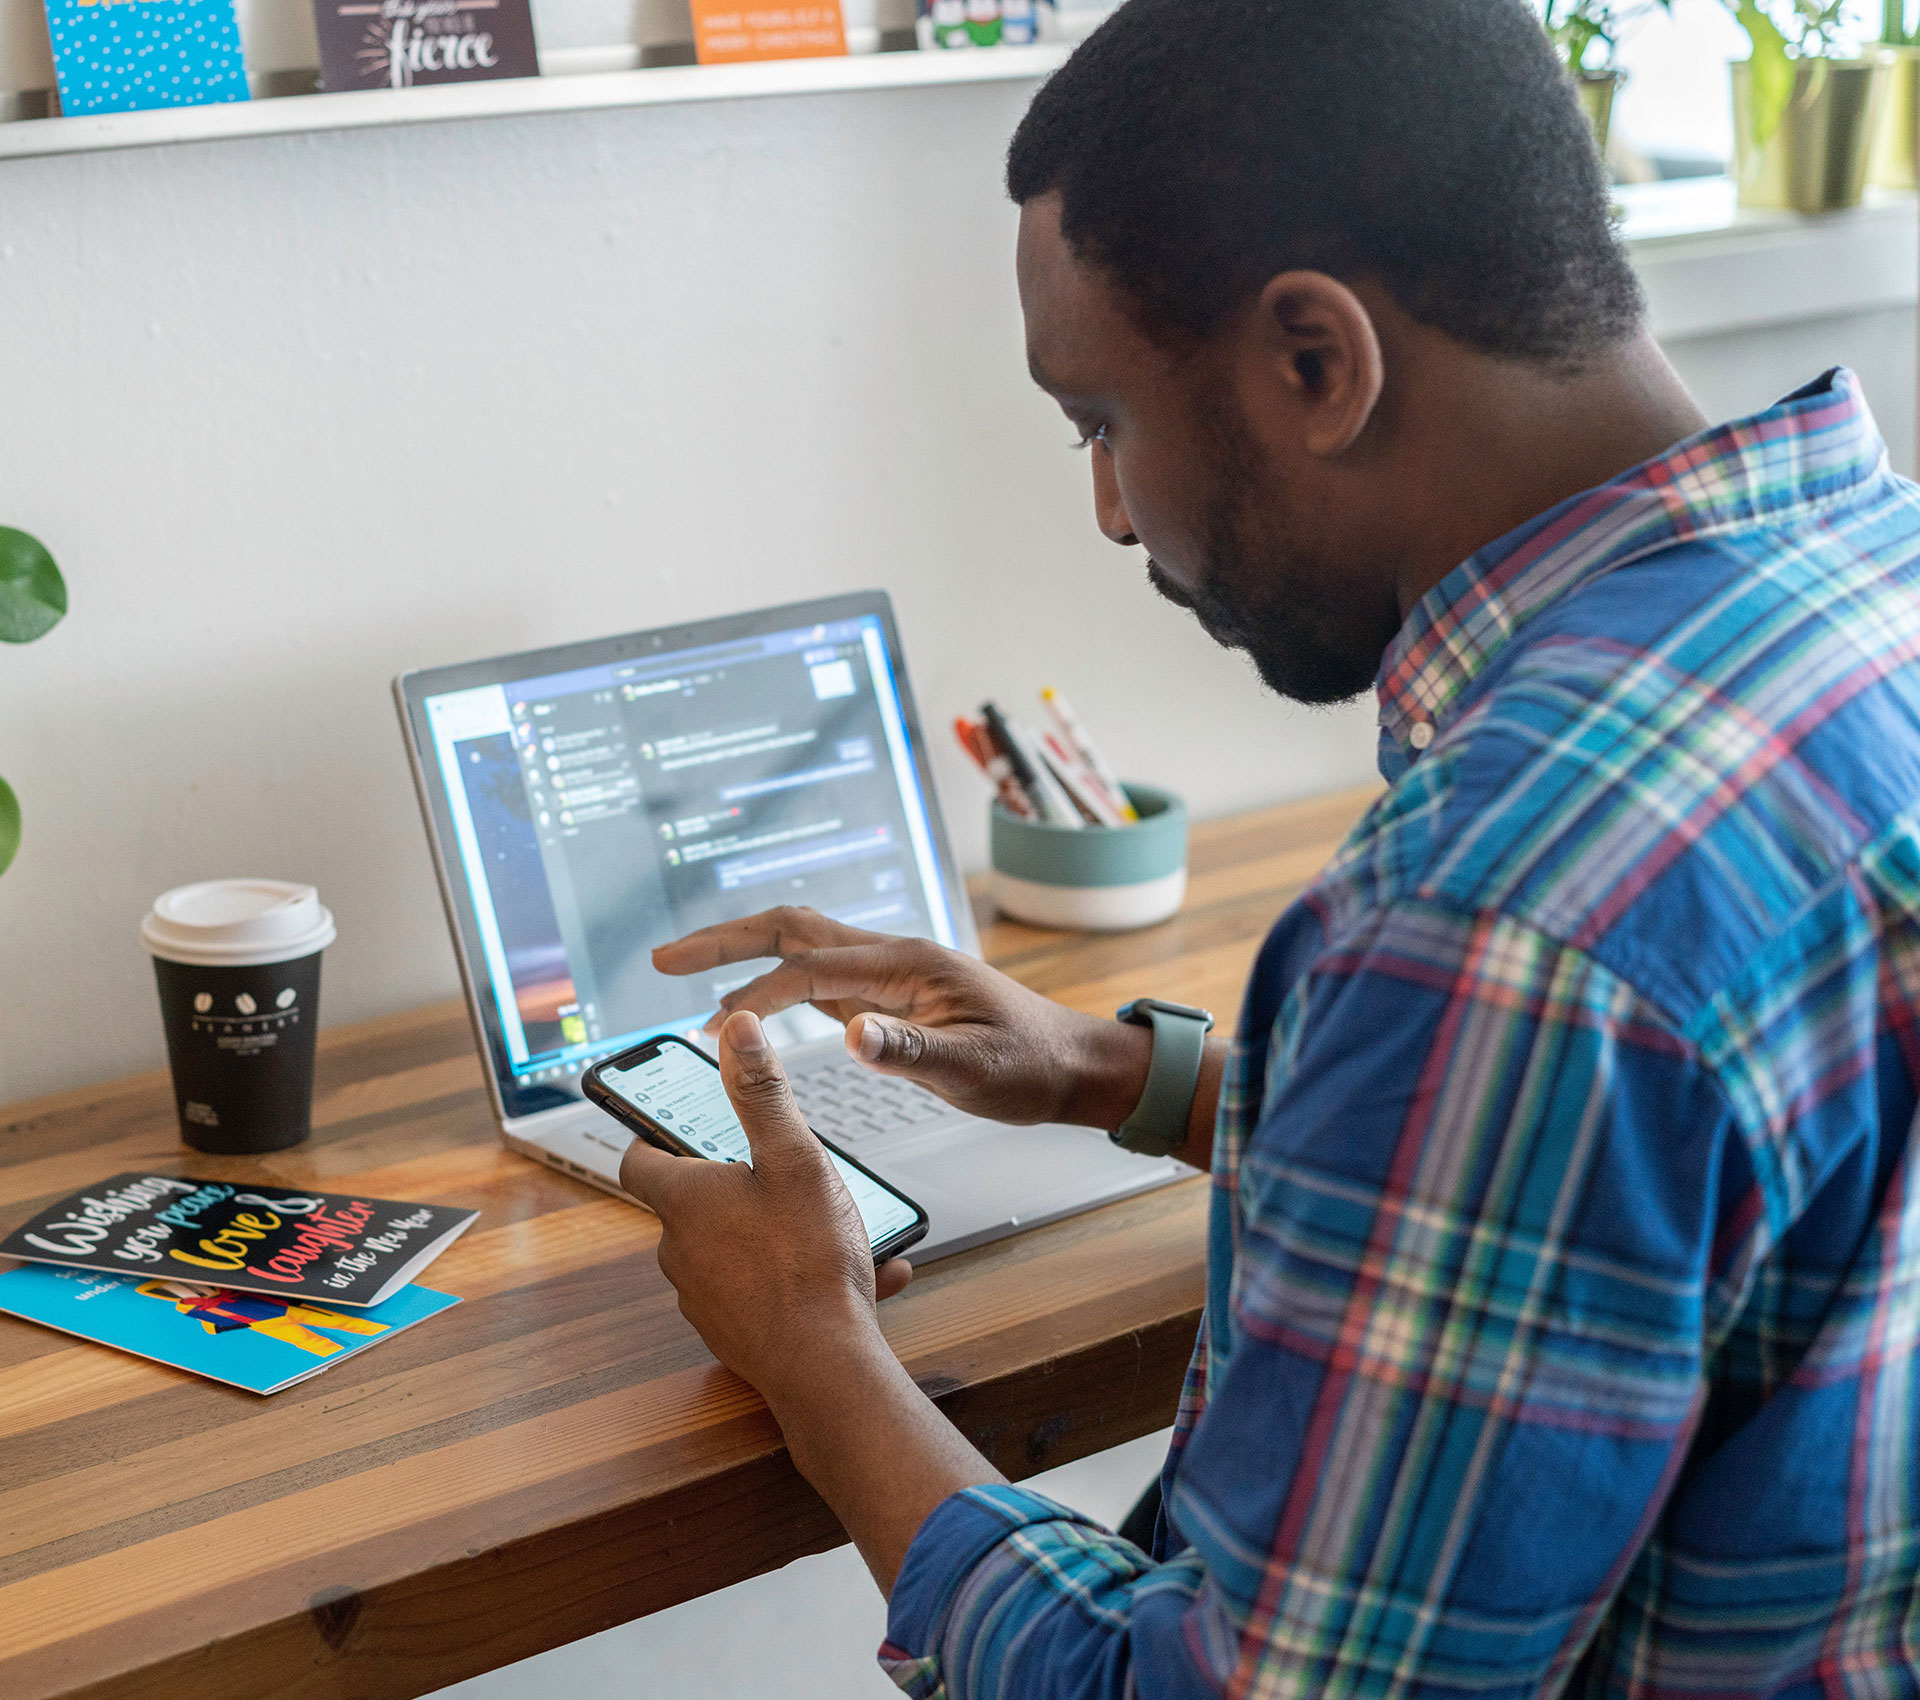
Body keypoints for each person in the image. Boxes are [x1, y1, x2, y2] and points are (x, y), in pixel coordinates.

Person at [620, 0, 1920, 1692]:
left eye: (1102, 422)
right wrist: (1127, 1076)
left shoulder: (1499, 914)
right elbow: (1657, 1191)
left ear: (1319, 360)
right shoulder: (1865, 591)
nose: (1107, 511)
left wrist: (820, 1357)